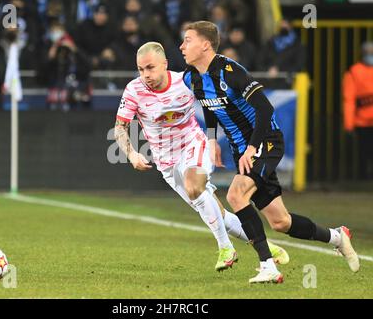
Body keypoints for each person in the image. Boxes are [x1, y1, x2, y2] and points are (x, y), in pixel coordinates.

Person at [180, 21, 359, 283]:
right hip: (243, 148)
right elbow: (209, 105)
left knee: (236, 194)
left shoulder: (230, 71)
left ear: (205, 44)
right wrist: (212, 140)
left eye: (187, 40)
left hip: (265, 141)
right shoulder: (191, 77)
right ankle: (337, 237)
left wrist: (252, 147)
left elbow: (265, 109)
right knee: (281, 222)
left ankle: (268, 266)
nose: (181, 45)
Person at [114, 41, 289, 272]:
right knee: (217, 214)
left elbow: (212, 103)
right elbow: (119, 127)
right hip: (166, 161)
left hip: (193, 144)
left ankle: (225, 248)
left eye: (150, 67)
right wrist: (131, 153)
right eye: (141, 69)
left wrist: (212, 138)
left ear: (165, 64)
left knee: (194, 187)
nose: (145, 74)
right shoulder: (134, 90)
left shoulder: (184, 81)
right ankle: (267, 247)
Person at [343, 41, 373, 180]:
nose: (370, 55)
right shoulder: (354, 71)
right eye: (367, 52)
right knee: (364, 152)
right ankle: (362, 178)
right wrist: (349, 124)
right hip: (362, 121)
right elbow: (349, 99)